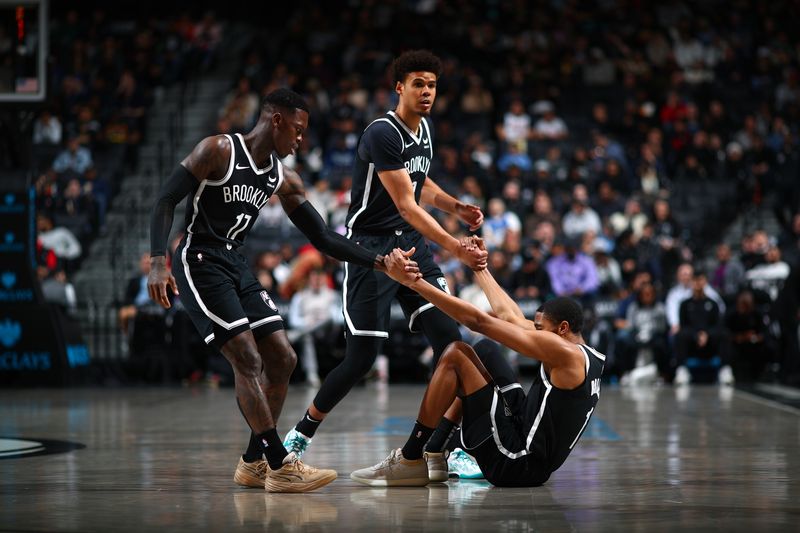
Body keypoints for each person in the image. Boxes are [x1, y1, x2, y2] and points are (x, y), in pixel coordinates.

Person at [147, 88, 406, 493]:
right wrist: (158, 262)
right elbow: (165, 199)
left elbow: (321, 236)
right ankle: (279, 464)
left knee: (282, 359)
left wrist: (378, 260)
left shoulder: (283, 177)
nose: (301, 141)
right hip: (199, 261)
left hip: (236, 262)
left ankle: (252, 463)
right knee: (247, 359)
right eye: (298, 131)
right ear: (277, 121)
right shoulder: (218, 150)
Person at [282, 50, 487, 479]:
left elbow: (420, 181)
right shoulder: (381, 132)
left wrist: (455, 207)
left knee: (455, 348)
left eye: (431, 84)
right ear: (400, 87)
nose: (427, 91)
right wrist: (456, 245)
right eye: (418, 83)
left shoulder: (424, 129)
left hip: (413, 248)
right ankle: (299, 436)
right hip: (374, 253)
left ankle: (443, 449)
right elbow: (407, 204)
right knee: (360, 359)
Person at [350, 238, 604, 487]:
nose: (536, 332)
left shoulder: (565, 353)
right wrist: (478, 267)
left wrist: (413, 283)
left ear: (563, 328)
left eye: (540, 328)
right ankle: (436, 454)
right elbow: (510, 316)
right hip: (526, 439)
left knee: (456, 354)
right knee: (485, 350)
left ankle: (410, 458)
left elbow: (479, 322)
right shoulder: (582, 353)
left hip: (517, 463)